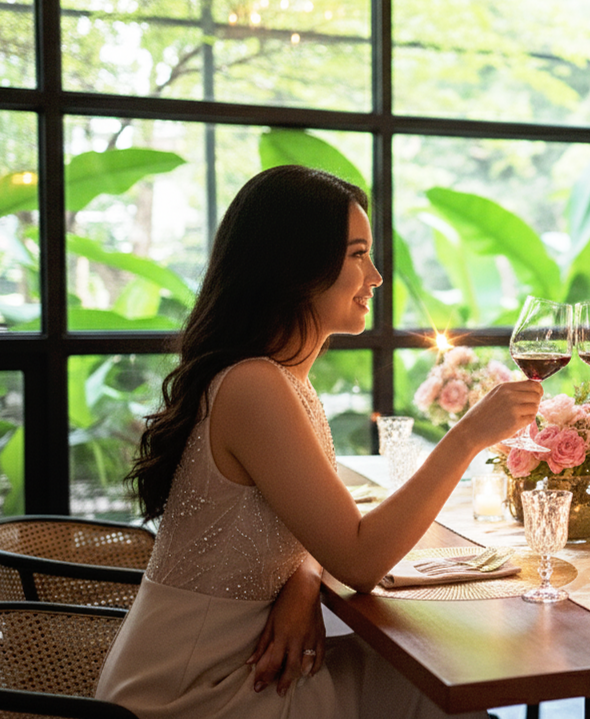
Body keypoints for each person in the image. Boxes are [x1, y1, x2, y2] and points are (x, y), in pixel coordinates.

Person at [96, 165, 541, 719]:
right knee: (440, 682)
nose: (376, 277)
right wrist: (470, 433)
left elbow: (317, 529)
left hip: (243, 665)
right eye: (358, 254)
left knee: (437, 676)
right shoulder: (253, 385)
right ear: (296, 268)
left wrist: (305, 577)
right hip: (193, 693)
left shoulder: (285, 380)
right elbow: (358, 558)